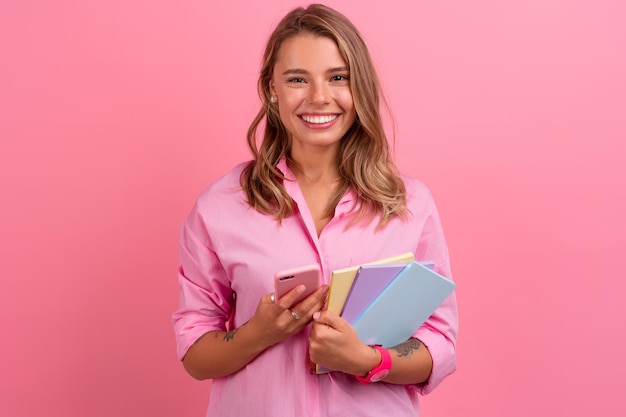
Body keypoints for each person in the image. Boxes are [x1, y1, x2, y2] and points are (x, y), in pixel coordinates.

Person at [172, 4, 458, 416]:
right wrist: (259, 333)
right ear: (272, 88)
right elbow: (194, 353)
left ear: (359, 85)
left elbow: (440, 343)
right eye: (297, 79)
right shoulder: (220, 206)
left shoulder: (409, 204)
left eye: (337, 77)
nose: (319, 97)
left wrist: (365, 360)